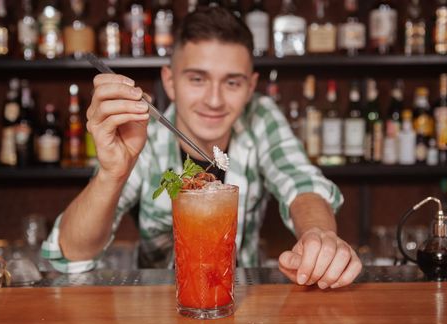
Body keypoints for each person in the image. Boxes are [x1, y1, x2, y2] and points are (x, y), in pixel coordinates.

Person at [41, 6, 362, 290]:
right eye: (197, 79)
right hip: (160, 308)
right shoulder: (141, 133)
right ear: (170, 82)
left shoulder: (260, 116)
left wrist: (319, 235)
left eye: (232, 82)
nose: (214, 100)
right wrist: (112, 173)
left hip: (240, 301)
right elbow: (68, 258)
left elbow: (301, 184)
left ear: (250, 87)